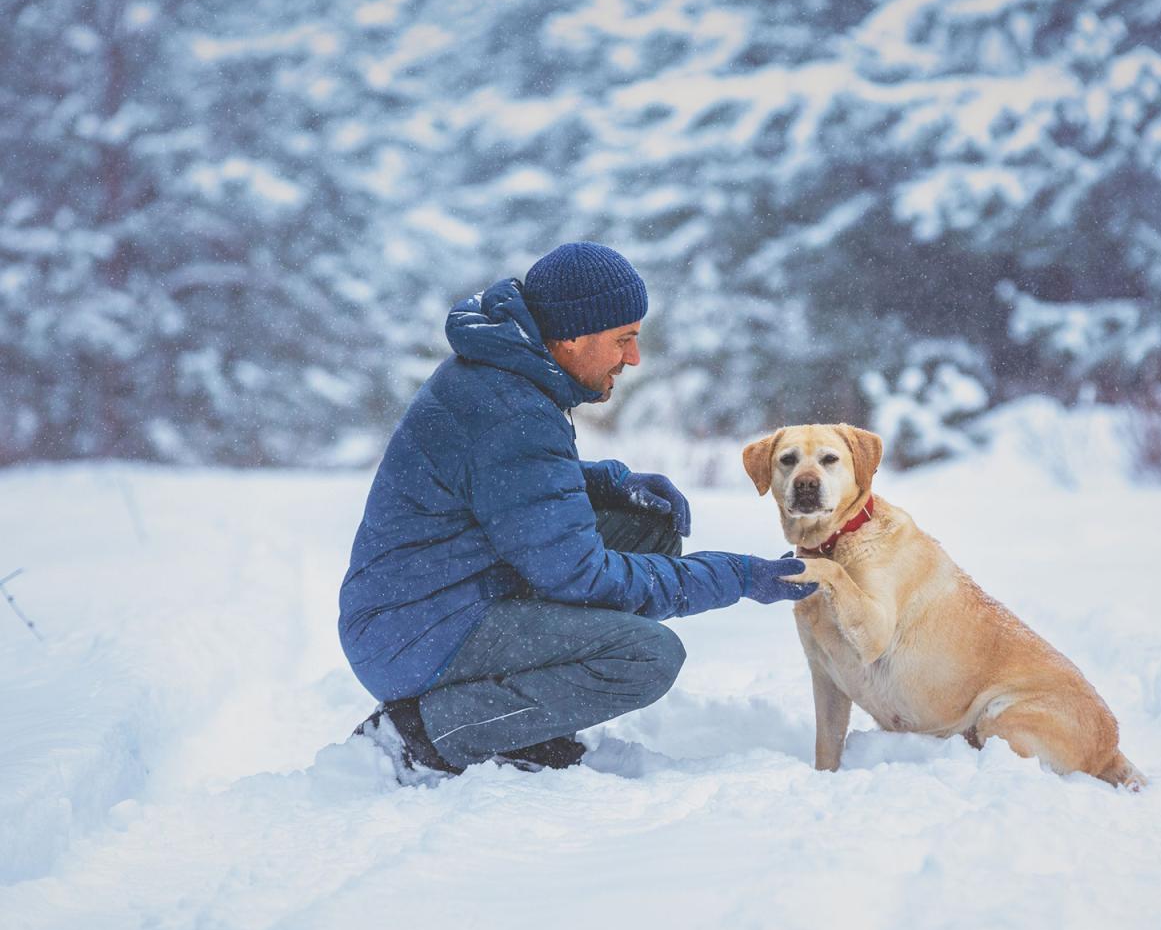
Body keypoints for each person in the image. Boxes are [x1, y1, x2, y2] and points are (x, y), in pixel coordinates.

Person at [340, 241, 815, 782]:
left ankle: (522, 722)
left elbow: (510, 482)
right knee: (645, 658)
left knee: (645, 531)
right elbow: (583, 577)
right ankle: (426, 734)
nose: (633, 358)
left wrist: (613, 484)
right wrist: (740, 576)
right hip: (415, 635)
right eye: (623, 340)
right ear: (571, 337)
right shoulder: (510, 407)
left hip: (432, 598)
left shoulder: (506, 375)